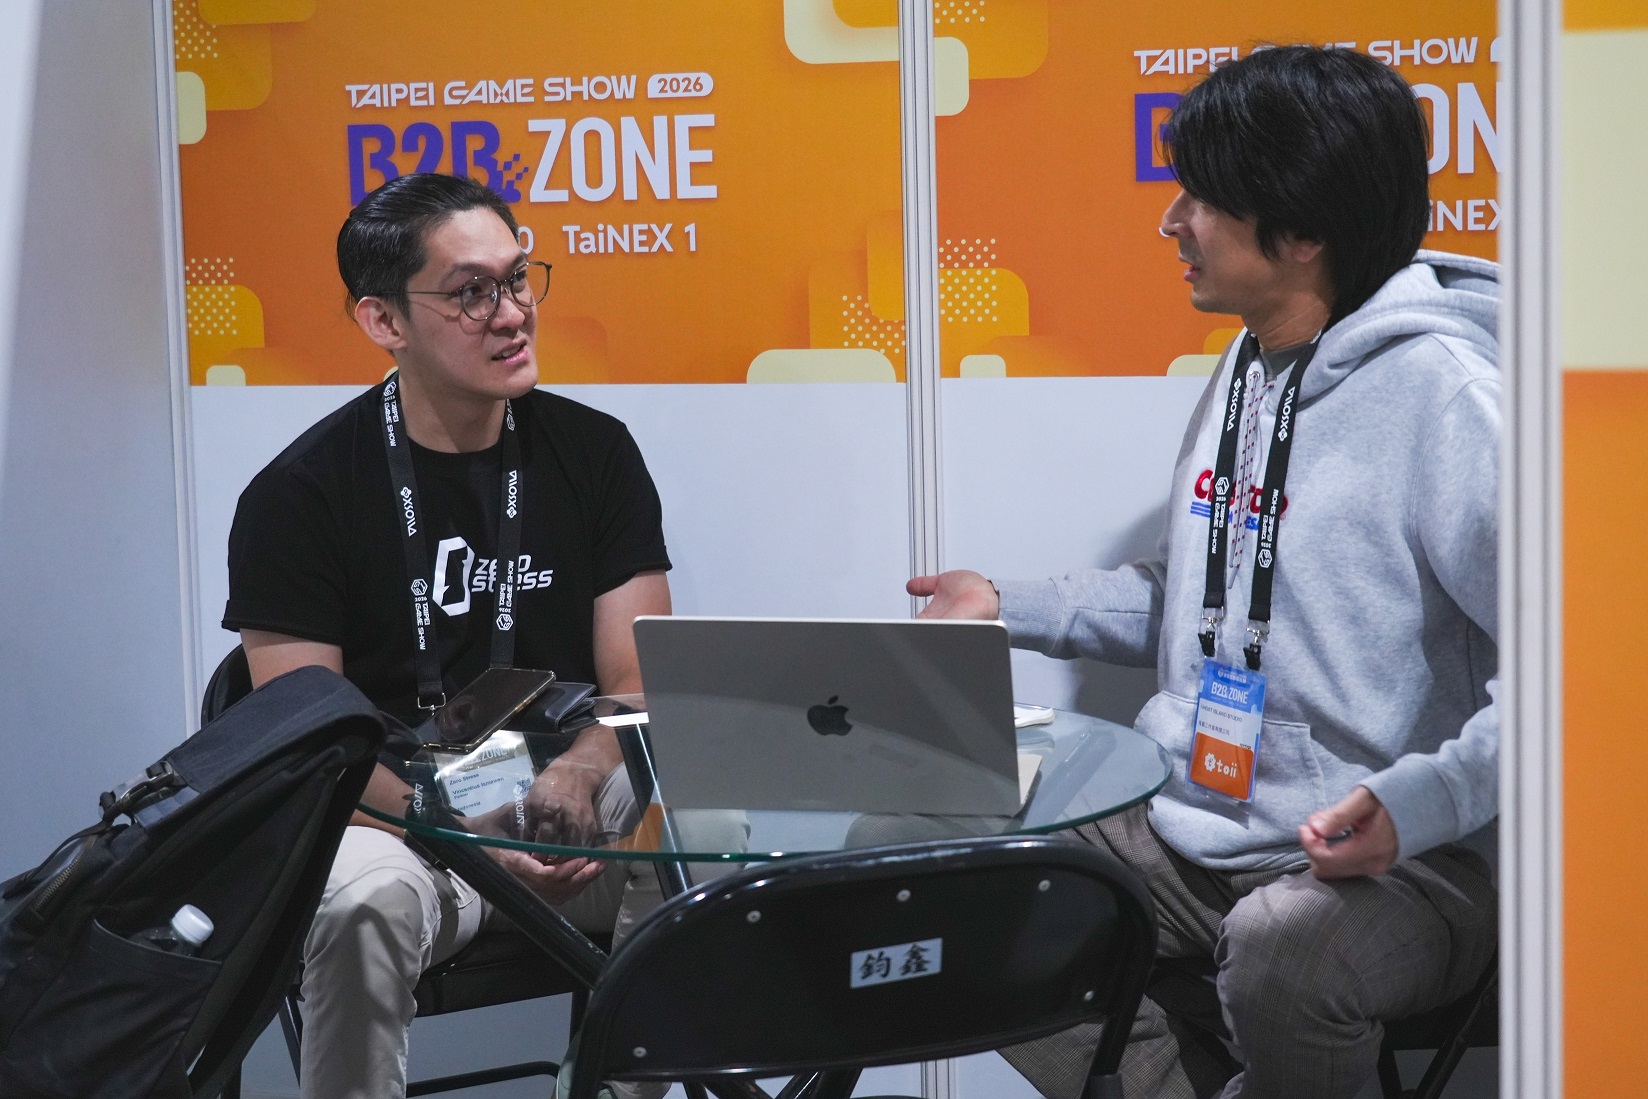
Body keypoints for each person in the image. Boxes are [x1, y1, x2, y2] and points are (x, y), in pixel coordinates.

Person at [910, 46, 1498, 1099]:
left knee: (1287, 950)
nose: (1169, 221)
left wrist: (1423, 801)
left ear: (1301, 231)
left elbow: (1581, 671)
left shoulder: (1446, 397)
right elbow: (1209, 604)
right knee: (946, 871)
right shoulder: (1248, 364)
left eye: (1202, 199)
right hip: (1194, 826)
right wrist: (1005, 604)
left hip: (1411, 858)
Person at [223, 172, 674, 1099]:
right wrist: (464, 830)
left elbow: (640, 684)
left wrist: (577, 773)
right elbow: (308, 747)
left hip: (565, 812)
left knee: (705, 822)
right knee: (360, 902)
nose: (512, 313)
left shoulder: (596, 453)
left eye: (517, 278)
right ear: (383, 320)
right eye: (471, 293)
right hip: (399, 821)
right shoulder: (298, 495)